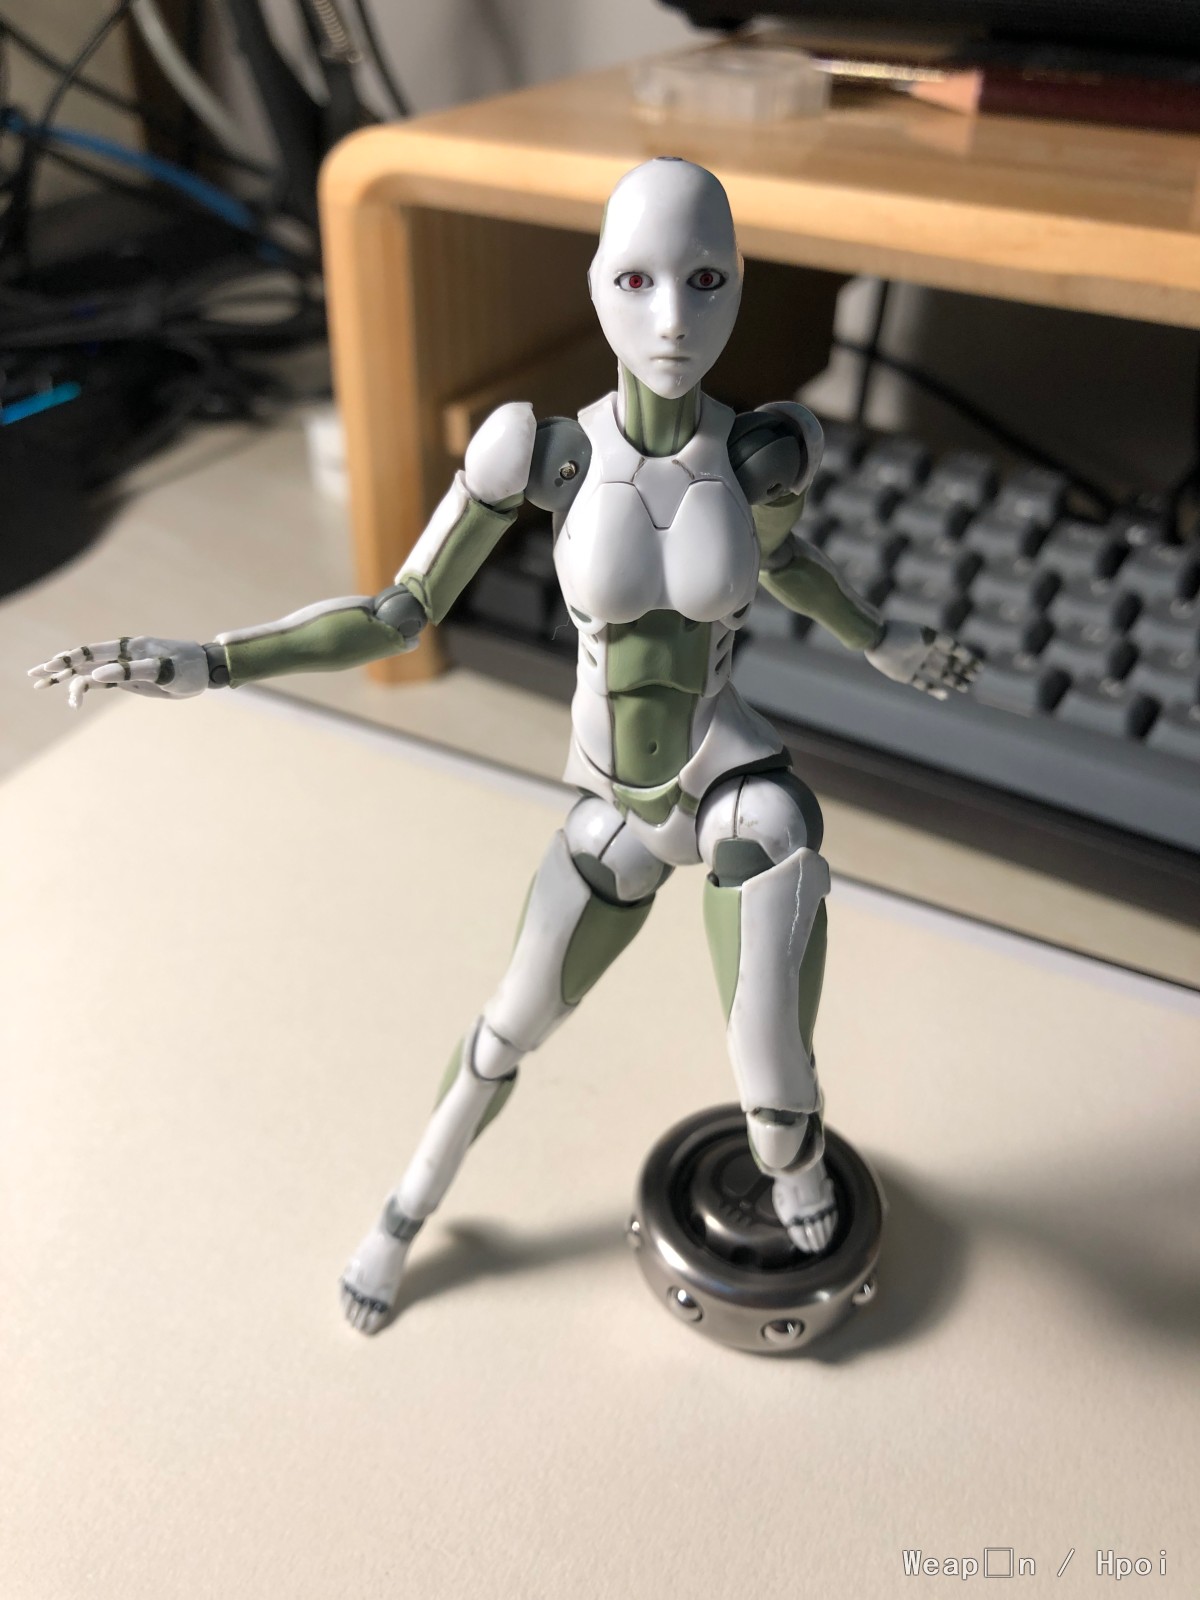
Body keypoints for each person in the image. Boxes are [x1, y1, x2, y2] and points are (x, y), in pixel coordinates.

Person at [30, 158, 975, 1334]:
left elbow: (786, 563)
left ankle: (792, 1161)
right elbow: (398, 612)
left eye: (705, 280)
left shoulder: (761, 453)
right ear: (597, 283)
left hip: (729, 778)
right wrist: (213, 660)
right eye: (637, 281)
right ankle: (403, 1214)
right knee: (502, 1034)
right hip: (614, 809)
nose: (671, 321)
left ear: (739, 284)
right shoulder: (541, 453)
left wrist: (886, 642)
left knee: (770, 1063)